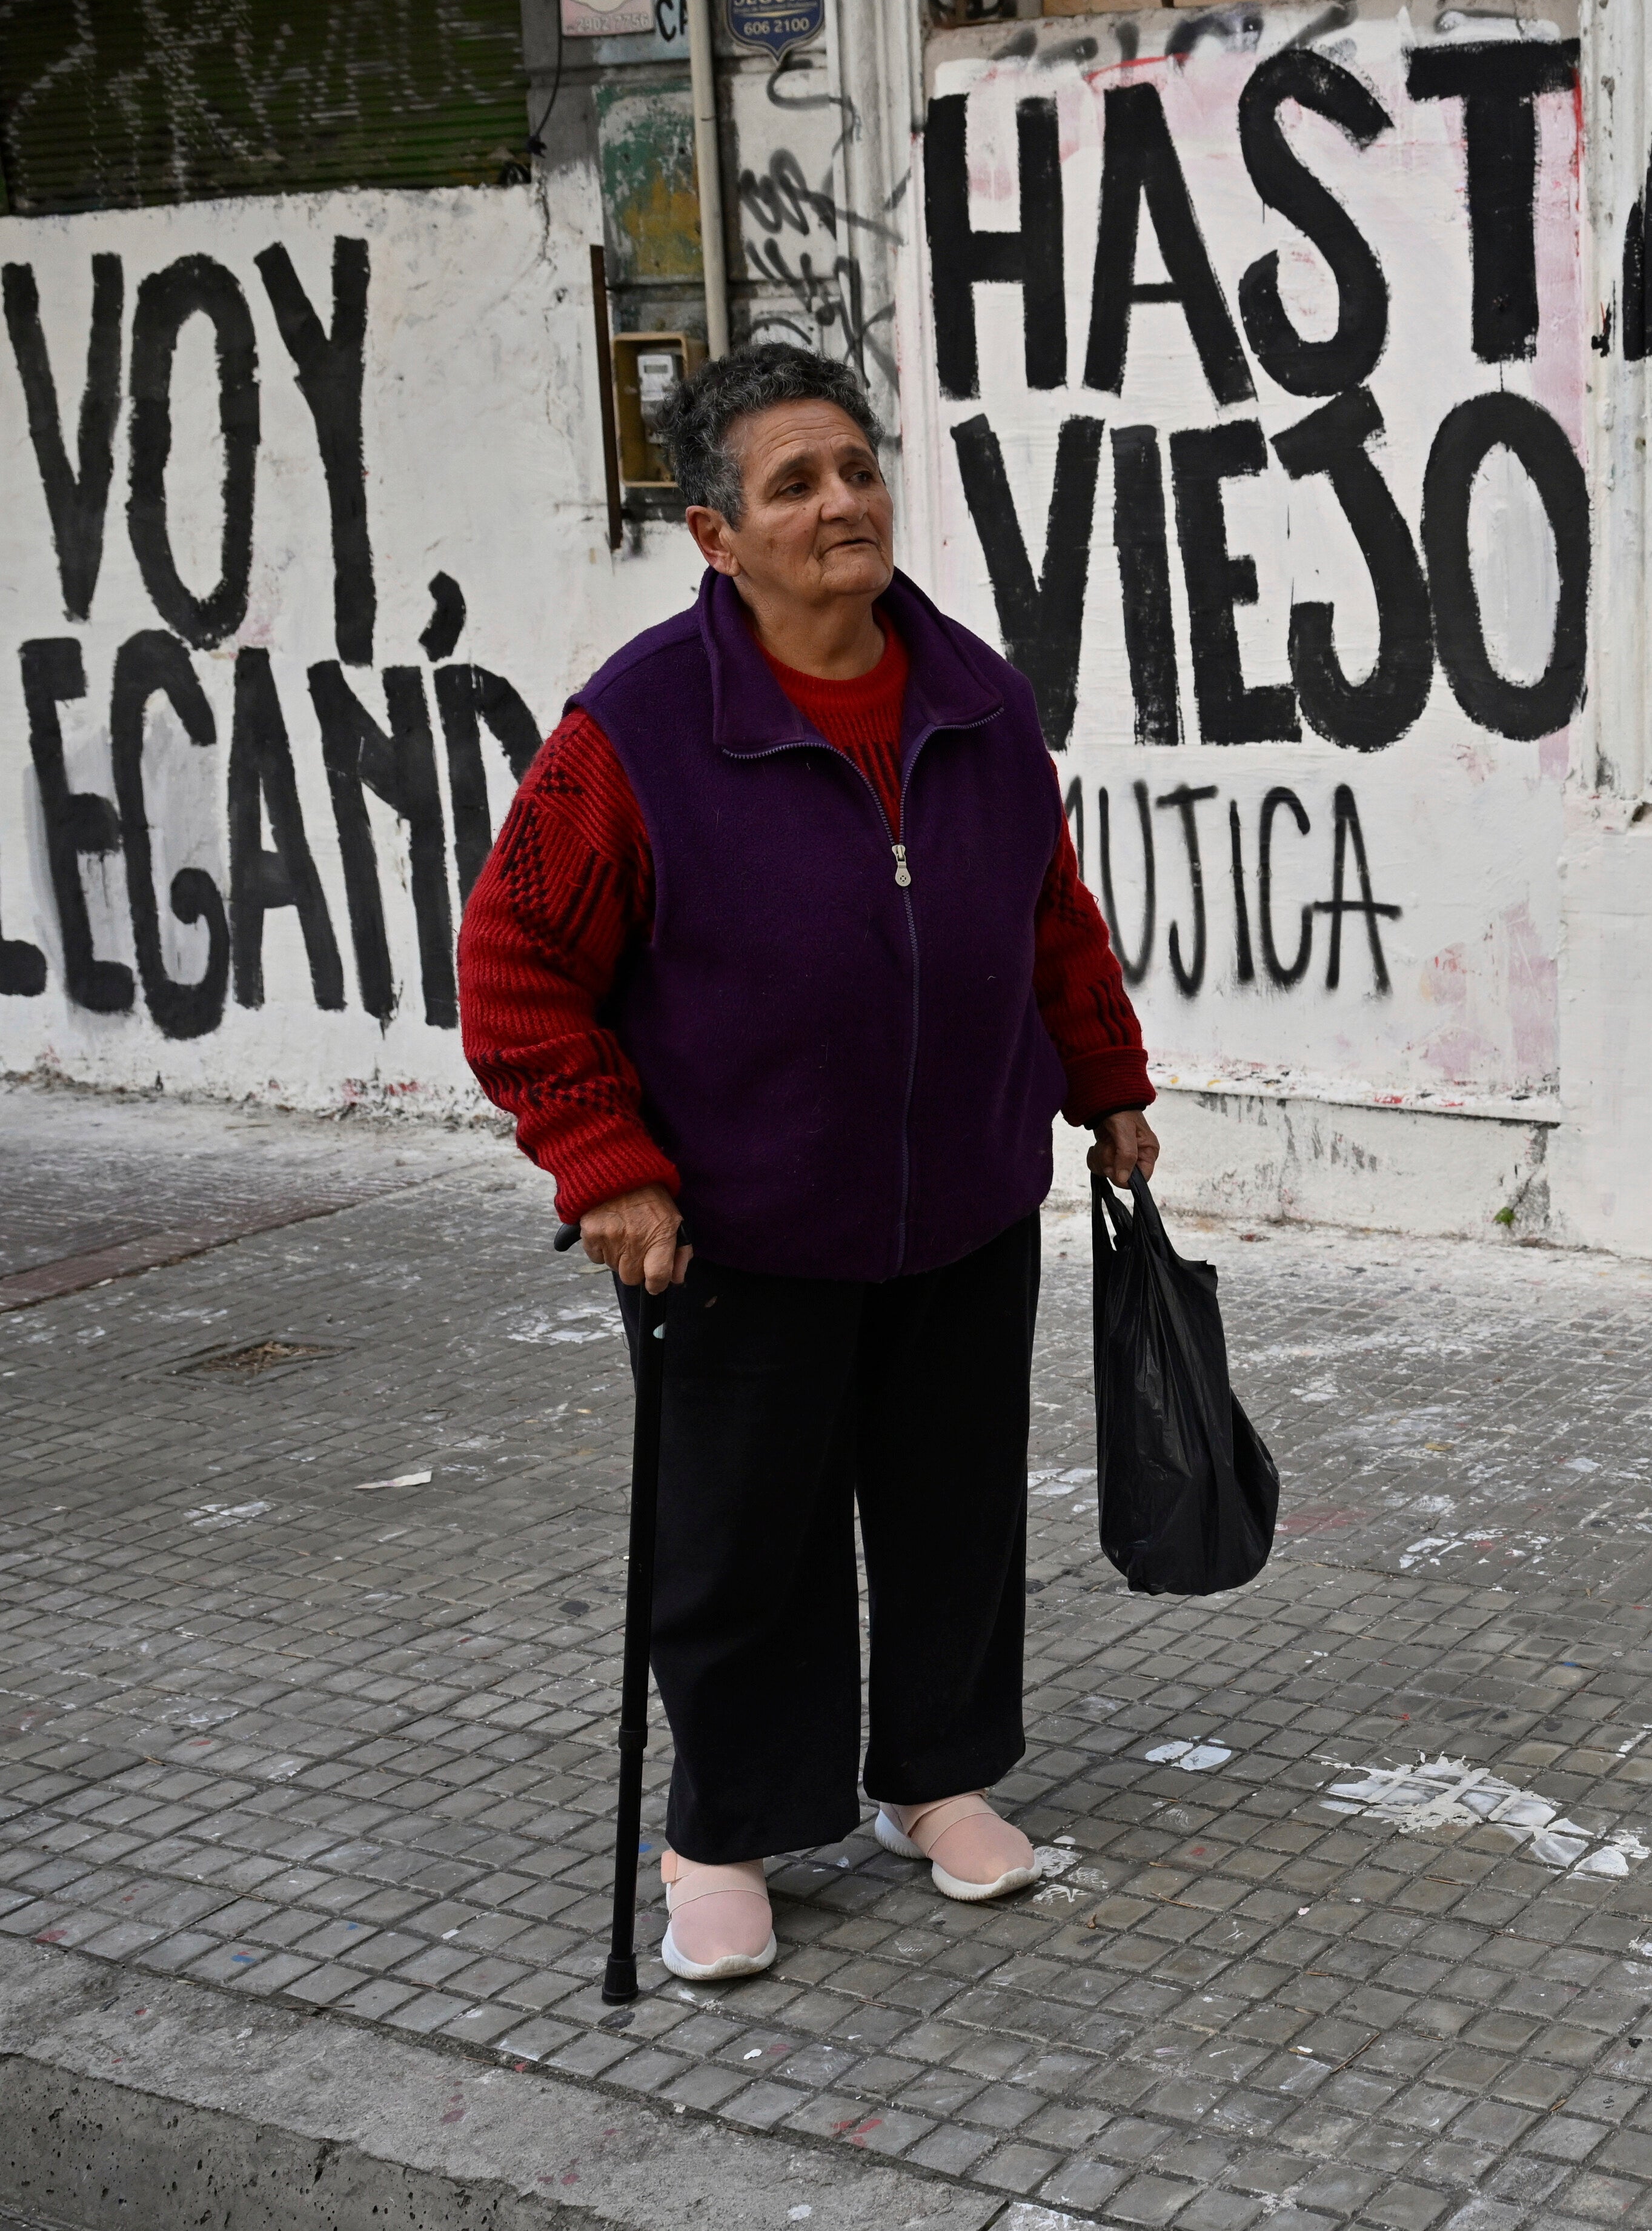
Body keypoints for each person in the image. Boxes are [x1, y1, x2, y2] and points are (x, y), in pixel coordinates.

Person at [457, 344, 1157, 1983]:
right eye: (795, 483)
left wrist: (1108, 1084)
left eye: (856, 467)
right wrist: (607, 1166)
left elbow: (1049, 914)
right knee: (744, 1542)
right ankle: (724, 1830)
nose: (843, 502)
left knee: (953, 1512)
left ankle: (933, 1776)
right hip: (736, 1229)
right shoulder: (636, 728)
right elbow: (514, 964)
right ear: (717, 535)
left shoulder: (978, 698)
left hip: (964, 1202)